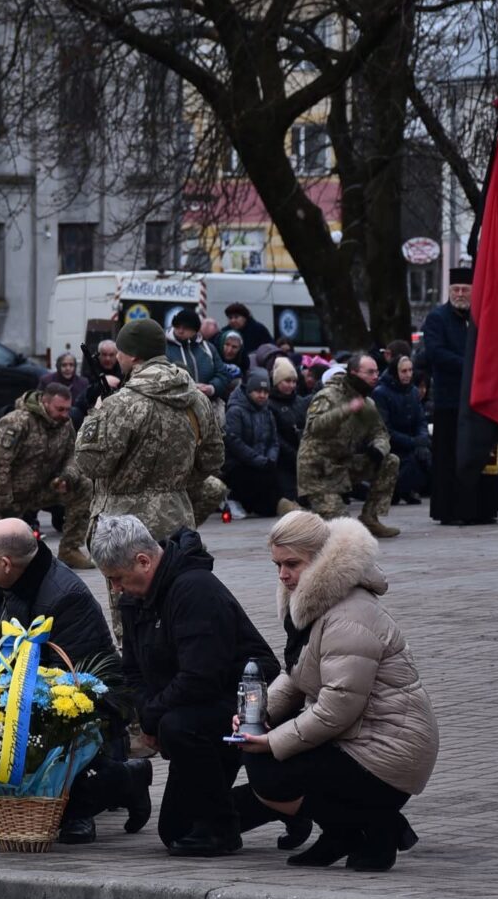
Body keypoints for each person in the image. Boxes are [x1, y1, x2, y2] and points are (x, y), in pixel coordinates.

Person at [236, 512, 438, 870]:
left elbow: (337, 708)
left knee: (270, 770)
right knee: (255, 751)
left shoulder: (347, 615)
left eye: (292, 564)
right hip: (362, 739)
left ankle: (380, 828)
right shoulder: (321, 602)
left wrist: (273, 739)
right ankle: (341, 833)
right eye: (277, 565)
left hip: (389, 751)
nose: (283, 575)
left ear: (321, 558)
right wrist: (258, 715)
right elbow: (300, 675)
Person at [90, 515, 281, 857]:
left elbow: (201, 677)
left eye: (117, 579)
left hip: (241, 701)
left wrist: (153, 719)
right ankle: (274, 803)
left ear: (144, 561)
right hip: (187, 704)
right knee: (175, 831)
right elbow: (132, 671)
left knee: (176, 727)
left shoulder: (194, 589)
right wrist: (146, 713)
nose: (116, 588)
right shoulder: (136, 599)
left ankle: (223, 829)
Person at [0, 518, 152, 844]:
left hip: (83, 700)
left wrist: (11, 702)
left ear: (6, 564)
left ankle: (123, 781)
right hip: (21, 693)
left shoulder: (65, 596)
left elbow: (71, 681)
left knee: (60, 763)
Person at [74, 318, 223, 550]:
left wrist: (96, 414)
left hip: (124, 528)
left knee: (131, 587)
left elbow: (91, 464)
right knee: (173, 585)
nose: (117, 357)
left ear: (133, 355)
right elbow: (212, 459)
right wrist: (172, 483)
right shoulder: (197, 399)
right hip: (177, 518)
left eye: (119, 351)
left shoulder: (121, 403)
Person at [0, 384, 93, 568]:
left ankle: (69, 549)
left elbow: (73, 455)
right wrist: (4, 505)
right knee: (0, 545)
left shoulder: (64, 424)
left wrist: (66, 477)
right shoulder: (18, 421)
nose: (65, 414)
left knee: (84, 486)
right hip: (6, 494)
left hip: (40, 488)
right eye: (60, 409)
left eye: (67, 409)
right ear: (45, 403)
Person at [298, 352, 400, 538]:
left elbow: (381, 432)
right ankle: (300, 514)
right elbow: (314, 427)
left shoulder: (367, 403)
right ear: (354, 373)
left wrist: (378, 448)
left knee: (390, 461)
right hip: (319, 471)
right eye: (369, 372)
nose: (375, 376)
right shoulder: (327, 396)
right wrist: (345, 410)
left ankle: (370, 517)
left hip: (344, 465)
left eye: (377, 372)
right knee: (346, 533)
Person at [223, 370, 290, 517]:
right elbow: (234, 442)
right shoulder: (235, 411)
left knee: (270, 506)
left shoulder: (267, 412)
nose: (262, 395)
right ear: (249, 391)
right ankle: (234, 498)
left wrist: (270, 458)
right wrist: (259, 460)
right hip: (239, 465)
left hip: (262, 462)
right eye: (258, 391)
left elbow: (274, 441)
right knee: (257, 480)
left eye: (266, 392)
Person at [373, 354, 430, 506]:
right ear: (395, 372)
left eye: (410, 370)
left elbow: (421, 420)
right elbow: (385, 429)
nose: (408, 375)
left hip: (410, 440)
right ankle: (398, 490)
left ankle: (406, 489)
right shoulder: (381, 393)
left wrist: (422, 438)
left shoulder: (412, 392)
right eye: (403, 371)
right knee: (407, 460)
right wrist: (413, 442)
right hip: (393, 444)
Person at [266, 357, 307, 504]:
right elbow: (275, 436)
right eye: (287, 381)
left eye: (294, 381)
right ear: (277, 382)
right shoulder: (270, 404)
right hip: (283, 461)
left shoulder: (300, 402)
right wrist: (294, 455)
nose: (291, 385)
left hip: (302, 457)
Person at [165, 309, 230, 402]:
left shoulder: (208, 348)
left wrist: (211, 388)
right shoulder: (164, 347)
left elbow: (222, 374)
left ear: (195, 330)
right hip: (173, 404)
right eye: (177, 326)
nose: (180, 330)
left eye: (186, 328)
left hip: (205, 403)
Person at [81, 339, 123, 412]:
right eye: (104, 354)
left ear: (117, 355)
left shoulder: (123, 370)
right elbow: (85, 398)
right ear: (98, 354)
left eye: (111, 355)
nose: (107, 358)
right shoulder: (90, 371)